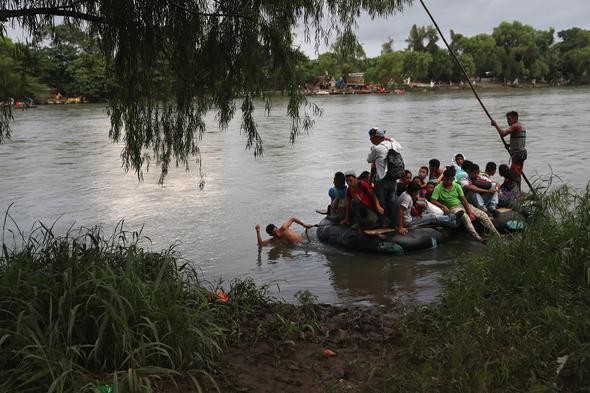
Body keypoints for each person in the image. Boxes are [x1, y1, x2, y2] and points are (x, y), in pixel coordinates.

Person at [430, 169, 500, 242]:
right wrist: (443, 206)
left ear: (453, 179)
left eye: (450, 180)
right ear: (443, 179)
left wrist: (470, 212)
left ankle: (497, 235)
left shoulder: (456, 185)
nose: (448, 182)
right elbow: (433, 200)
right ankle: (478, 238)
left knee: (483, 214)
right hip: (453, 208)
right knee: (465, 217)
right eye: (446, 180)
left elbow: (463, 200)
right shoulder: (438, 188)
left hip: (461, 205)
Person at [366, 127, 403, 227]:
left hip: (381, 180)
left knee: (381, 203)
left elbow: (369, 159)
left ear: (376, 137)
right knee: (392, 201)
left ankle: (383, 224)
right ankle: (394, 223)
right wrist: (391, 139)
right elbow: (400, 147)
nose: (370, 139)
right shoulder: (394, 144)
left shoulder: (377, 148)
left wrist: (372, 149)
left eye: (371, 137)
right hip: (393, 178)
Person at [396, 183, 464, 235]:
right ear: (413, 191)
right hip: (408, 222)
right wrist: (401, 227)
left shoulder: (405, 193)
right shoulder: (407, 198)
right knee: (432, 217)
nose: (417, 194)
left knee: (428, 214)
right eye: (417, 192)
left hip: (409, 218)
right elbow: (400, 210)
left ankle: (452, 222)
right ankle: (452, 217)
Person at [492, 111, 527, 188]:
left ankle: (516, 192)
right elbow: (519, 140)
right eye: (507, 119)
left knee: (513, 175)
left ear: (515, 119)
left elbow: (503, 134)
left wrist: (495, 125)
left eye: (509, 119)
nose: (508, 121)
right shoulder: (520, 126)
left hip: (518, 154)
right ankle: (518, 192)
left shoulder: (515, 126)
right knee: (517, 174)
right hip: (521, 153)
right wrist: (509, 145)